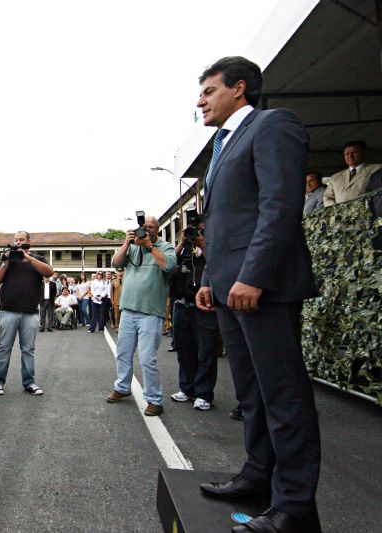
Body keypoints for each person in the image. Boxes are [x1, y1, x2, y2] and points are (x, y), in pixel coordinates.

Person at [195, 56, 321, 532]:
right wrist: (210, 279)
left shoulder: (272, 126)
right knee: (251, 393)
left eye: (208, 90)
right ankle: (257, 476)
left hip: (261, 288)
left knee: (283, 395)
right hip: (228, 286)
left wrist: (256, 275)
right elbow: (225, 222)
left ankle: (294, 507)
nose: (200, 100)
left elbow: (279, 206)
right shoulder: (223, 144)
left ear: (239, 88)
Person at [105, 216, 176, 416]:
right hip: (128, 310)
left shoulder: (165, 246)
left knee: (147, 358)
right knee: (123, 353)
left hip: (151, 313)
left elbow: (169, 266)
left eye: (151, 227)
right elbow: (116, 263)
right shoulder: (133, 247)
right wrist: (127, 243)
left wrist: (150, 246)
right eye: (143, 227)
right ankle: (122, 388)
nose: (146, 230)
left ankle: (154, 399)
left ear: (158, 229)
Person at [0, 230, 52, 396]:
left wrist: (28, 258)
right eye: (16, 240)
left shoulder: (37, 259)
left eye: (21, 240)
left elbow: (48, 273)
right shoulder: (9, 260)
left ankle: (29, 382)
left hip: (30, 312)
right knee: (4, 348)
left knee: (28, 350)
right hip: (8, 311)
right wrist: (5, 262)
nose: (18, 242)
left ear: (28, 241)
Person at [169, 220, 219, 411]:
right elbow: (169, 264)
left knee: (206, 351)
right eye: (193, 231)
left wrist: (203, 244)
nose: (194, 235)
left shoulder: (211, 247)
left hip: (205, 306)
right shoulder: (185, 250)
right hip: (181, 303)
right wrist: (183, 243)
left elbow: (218, 263)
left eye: (199, 231)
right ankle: (187, 388)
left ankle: (204, 393)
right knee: (184, 350)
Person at [323, 140, 382, 207]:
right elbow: (327, 197)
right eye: (347, 154)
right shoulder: (335, 177)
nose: (350, 156)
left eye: (355, 152)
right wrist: (337, 211)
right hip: (341, 216)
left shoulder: (377, 169)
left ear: (363, 153)